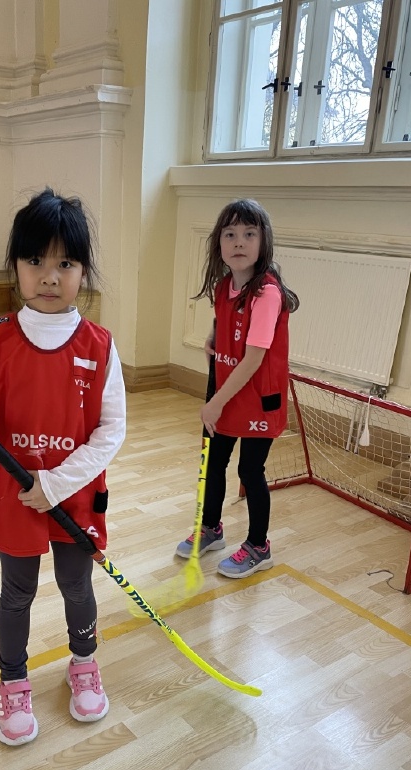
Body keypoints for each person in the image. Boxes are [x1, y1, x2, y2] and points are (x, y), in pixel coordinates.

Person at [0, 188, 126, 746]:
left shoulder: (99, 344)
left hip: (72, 492)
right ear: (17, 266)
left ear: (83, 272)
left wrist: (56, 482)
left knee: (76, 584)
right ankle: (13, 681)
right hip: (14, 493)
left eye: (65, 263)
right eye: (35, 261)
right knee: (17, 592)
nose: (49, 277)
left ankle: (84, 663)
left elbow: (111, 430)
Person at [176, 199, 299, 578]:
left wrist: (215, 403)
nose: (239, 242)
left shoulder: (267, 294)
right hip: (227, 391)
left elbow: (254, 358)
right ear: (219, 243)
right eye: (230, 234)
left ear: (264, 242)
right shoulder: (224, 286)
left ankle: (259, 546)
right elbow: (226, 320)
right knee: (214, 462)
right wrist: (213, 335)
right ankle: (211, 528)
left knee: (250, 470)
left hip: (258, 398)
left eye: (249, 234)